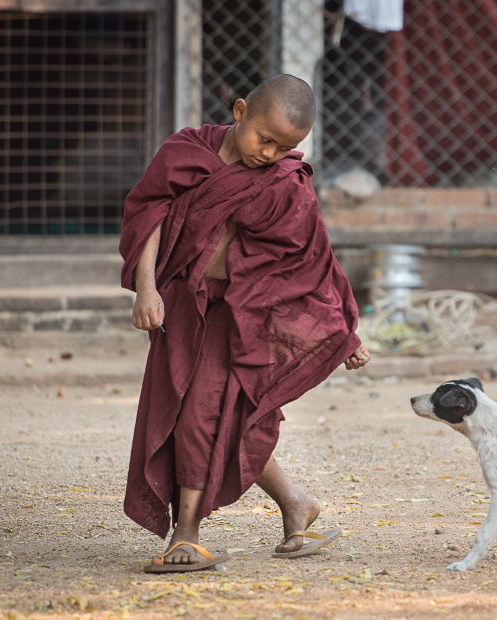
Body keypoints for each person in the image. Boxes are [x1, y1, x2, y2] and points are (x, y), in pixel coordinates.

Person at [118, 74, 370, 571]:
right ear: (239, 113)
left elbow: (314, 260)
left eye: (285, 148)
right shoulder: (186, 152)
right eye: (265, 138)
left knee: (202, 415)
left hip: (242, 317)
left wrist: (342, 332)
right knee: (209, 416)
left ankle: (186, 534)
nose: (270, 154)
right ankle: (296, 504)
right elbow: (150, 217)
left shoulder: (286, 184)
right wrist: (146, 289)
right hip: (182, 306)